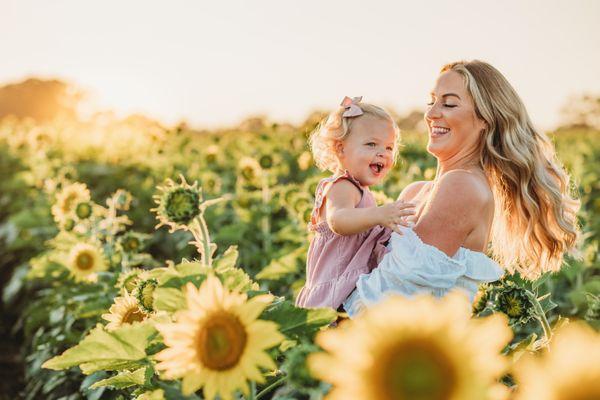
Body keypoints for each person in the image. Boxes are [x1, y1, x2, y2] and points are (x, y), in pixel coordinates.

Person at [343, 60, 580, 317]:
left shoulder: (463, 185)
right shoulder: (415, 192)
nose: (432, 114)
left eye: (449, 103)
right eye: (432, 101)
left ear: (485, 120)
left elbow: (391, 299)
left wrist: (323, 326)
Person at [295, 96, 416, 310]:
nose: (382, 153)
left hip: (348, 290)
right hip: (334, 295)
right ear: (341, 149)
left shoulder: (360, 190)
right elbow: (338, 220)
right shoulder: (342, 186)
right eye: (371, 144)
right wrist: (379, 215)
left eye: (389, 147)